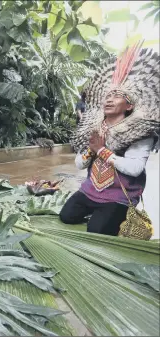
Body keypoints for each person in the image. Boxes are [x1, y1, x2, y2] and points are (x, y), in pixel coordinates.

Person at [60, 41, 159, 236]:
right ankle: (101, 214)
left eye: (117, 95)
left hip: (118, 196)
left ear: (129, 105)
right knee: (67, 216)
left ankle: (112, 214)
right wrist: (90, 150)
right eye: (107, 95)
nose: (109, 99)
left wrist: (102, 150)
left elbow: (135, 168)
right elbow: (79, 164)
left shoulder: (141, 132)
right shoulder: (94, 126)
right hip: (90, 191)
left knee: (97, 230)